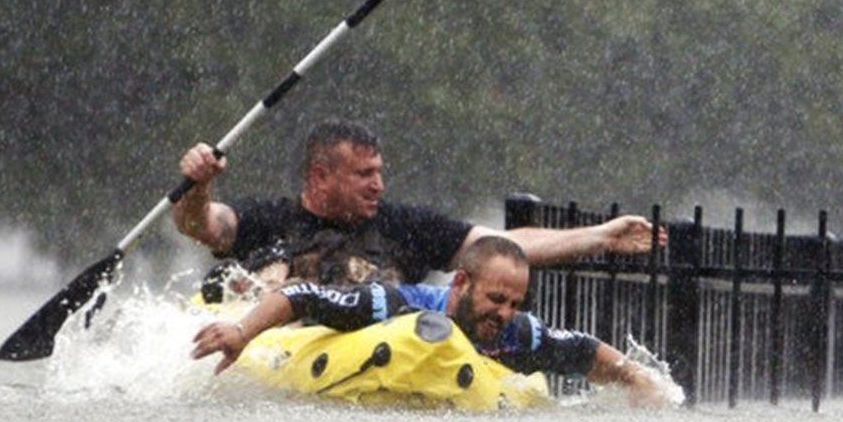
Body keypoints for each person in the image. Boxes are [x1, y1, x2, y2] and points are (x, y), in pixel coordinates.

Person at [191, 234, 672, 407]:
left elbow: (583, 349)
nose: (503, 313)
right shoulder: (395, 303)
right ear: (461, 283)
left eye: (514, 302)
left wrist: (638, 379)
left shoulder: (514, 332)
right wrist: (242, 332)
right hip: (325, 352)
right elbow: (301, 296)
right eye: (496, 298)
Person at [175, 120, 664, 286]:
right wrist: (197, 184)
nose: (379, 185)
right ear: (321, 176)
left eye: (380, 172)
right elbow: (202, 225)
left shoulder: (405, 226)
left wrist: (600, 236)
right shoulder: (269, 219)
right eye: (364, 174)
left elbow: (503, 245)